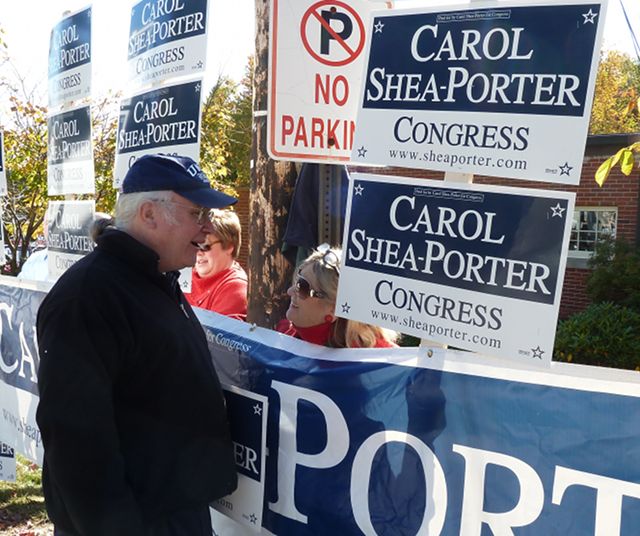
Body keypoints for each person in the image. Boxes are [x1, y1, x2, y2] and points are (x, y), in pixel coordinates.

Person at [35, 154, 239, 536]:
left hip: (176, 515)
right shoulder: (88, 297)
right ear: (148, 214)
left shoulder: (154, 280)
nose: (208, 229)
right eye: (197, 213)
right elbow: (76, 444)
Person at [279, 245, 398, 348]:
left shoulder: (377, 365)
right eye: (296, 281)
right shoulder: (282, 335)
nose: (290, 291)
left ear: (334, 308)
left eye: (303, 287)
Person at [184, 209, 248, 320]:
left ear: (228, 247)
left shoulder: (234, 287)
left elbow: (212, 336)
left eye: (205, 246)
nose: (198, 252)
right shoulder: (185, 276)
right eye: (195, 244)